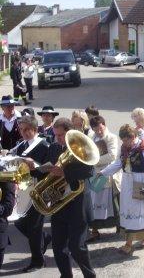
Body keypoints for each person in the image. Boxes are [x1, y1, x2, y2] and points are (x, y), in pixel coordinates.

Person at [100, 124, 144, 255]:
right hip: (127, 182)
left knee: (140, 211)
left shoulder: (143, 149)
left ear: (133, 137)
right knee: (129, 210)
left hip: (139, 183)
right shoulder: (124, 148)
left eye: (126, 140)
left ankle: (129, 244)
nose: (124, 143)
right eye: (122, 140)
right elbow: (118, 163)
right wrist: (103, 172)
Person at [47, 117, 96, 277]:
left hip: (78, 202)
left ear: (69, 133)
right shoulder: (54, 148)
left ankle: (90, 275)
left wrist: (65, 173)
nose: (58, 138)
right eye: (56, 135)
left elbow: (89, 172)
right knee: (58, 247)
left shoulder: (80, 146)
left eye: (60, 135)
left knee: (76, 247)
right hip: (60, 203)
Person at [13, 116, 51, 273]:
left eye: (27, 129)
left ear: (35, 129)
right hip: (25, 190)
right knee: (19, 222)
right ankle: (43, 240)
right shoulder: (21, 145)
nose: (24, 133)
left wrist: (33, 164)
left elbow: (49, 168)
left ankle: (37, 261)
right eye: (21, 130)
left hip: (40, 190)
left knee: (34, 227)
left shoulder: (44, 145)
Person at [88, 116, 120, 242]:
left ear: (104, 125)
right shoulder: (92, 137)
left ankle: (118, 225)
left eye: (100, 128)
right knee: (93, 201)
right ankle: (94, 230)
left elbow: (112, 156)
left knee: (112, 202)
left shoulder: (111, 137)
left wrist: (95, 161)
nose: (99, 131)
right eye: (96, 129)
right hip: (95, 175)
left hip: (107, 173)